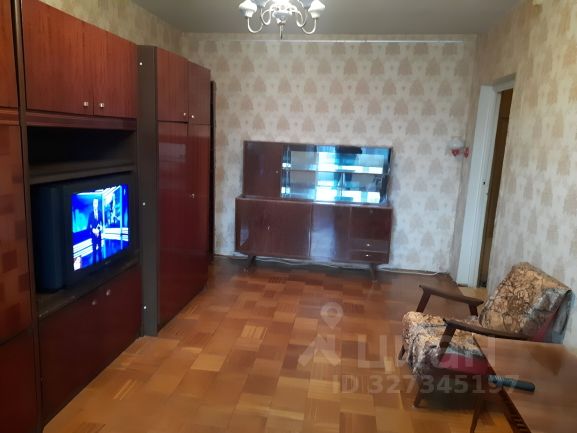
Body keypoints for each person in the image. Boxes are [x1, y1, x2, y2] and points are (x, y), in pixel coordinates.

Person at [88, 198, 103, 264]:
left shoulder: (100, 213)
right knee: (94, 253)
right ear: (93, 204)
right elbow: (88, 227)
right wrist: (93, 230)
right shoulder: (90, 214)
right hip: (93, 237)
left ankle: (101, 265)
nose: (95, 204)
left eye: (96, 203)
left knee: (100, 252)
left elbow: (103, 223)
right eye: (94, 203)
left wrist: (101, 228)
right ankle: (94, 267)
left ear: (97, 204)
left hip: (99, 236)